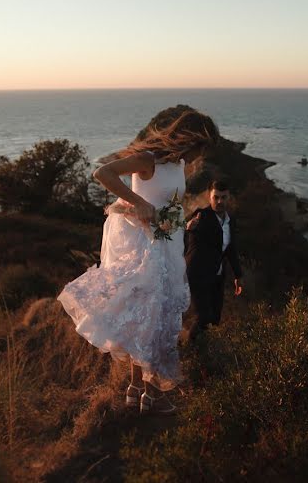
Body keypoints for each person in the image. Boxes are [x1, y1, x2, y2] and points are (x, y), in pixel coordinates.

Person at [57, 109, 220, 415]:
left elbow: (169, 200)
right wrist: (140, 203)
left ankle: (138, 389)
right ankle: (151, 393)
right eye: (202, 145)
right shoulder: (147, 159)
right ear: (191, 138)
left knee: (147, 317)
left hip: (167, 243)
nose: (202, 154)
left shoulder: (179, 164)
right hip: (143, 250)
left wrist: (175, 220)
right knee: (149, 317)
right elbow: (102, 173)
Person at [183, 179, 243, 341]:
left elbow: (231, 249)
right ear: (209, 197)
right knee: (203, 317)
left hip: (217, 276)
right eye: (216, 197)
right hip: (198, 275)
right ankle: (190, 350)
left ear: (229, 197)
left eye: (223, 197)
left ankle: (207, 353)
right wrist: (188, 229)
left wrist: (238, 276)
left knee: (215, 319)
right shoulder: (201, 216)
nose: (220, 201)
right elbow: (187, 235)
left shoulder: (230, 221)